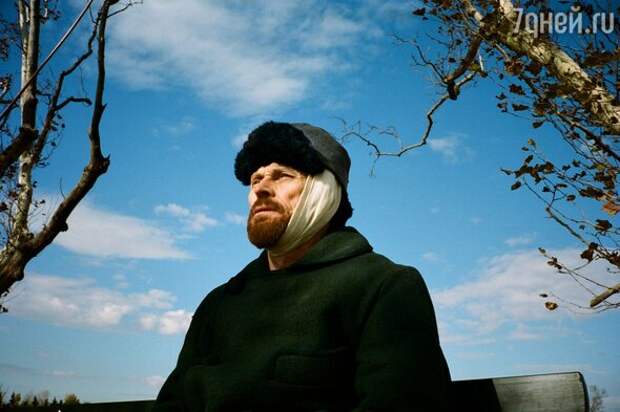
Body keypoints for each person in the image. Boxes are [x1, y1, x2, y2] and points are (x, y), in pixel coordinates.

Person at [153, 121, 451, 412]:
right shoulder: (218, 303)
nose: (261, 189)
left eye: (282, 176)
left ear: (322, 190)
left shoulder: (384, 286)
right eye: (255, 179)